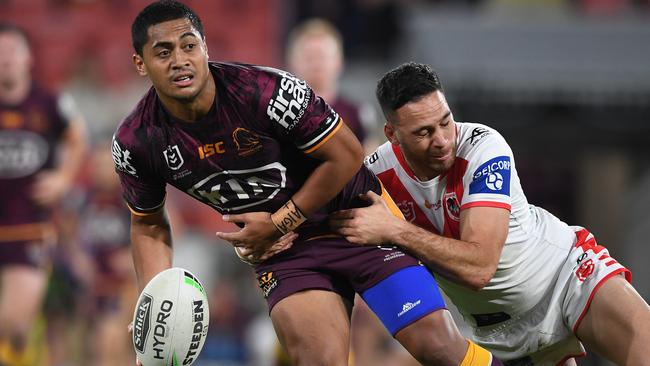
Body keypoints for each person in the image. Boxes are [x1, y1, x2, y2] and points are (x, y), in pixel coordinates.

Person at [114, 2, 504, 365]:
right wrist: (154, 300)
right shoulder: (135, 142)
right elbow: (147, 222)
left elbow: (347, 155)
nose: (180, 61)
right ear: (140, 63)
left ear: (205, 48)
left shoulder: (265, 92)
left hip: (359, 224)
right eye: (163, 52)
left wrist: (281, 221)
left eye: (188, 46)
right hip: (286, 255)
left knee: (437, 348)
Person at [330, 62, 650, 365]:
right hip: (498, 334)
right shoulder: (374, 177)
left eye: (445, 121)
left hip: (564, 277)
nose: (442, 140)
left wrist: (394, 230)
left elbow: (480, 268)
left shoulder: (484, 148)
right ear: (392, 135)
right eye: (424, 133)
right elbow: (321, 219)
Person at [0, 22, 87, 366]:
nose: (6, 59)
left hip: (30, 228)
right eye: (0, 53)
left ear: (28, 58)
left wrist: (64, 179)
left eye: (12, 52)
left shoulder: (49, 102)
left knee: (13, 322)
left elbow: (77, 136)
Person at [286, 18, 374, 147]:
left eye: (322, 56)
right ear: (292, 62)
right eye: (309, 57)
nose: (316, 64)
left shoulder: (358, 114)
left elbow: (369, 160)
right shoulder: (274, 115)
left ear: (339, 62)